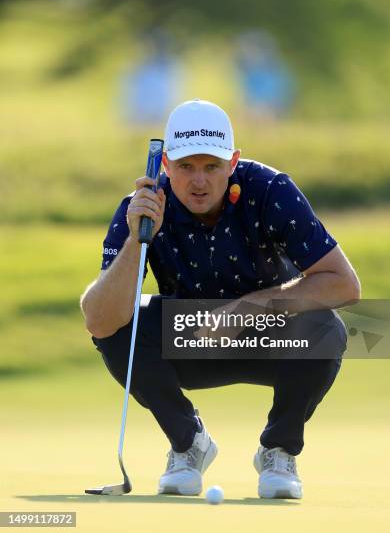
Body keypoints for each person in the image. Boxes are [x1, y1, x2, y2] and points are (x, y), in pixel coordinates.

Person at [80, 99, 360, 499]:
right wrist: (134, 240)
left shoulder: (270, 191)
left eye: (212, 167)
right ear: (165, 167)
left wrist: (246, 310)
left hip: (271, 336)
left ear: (233, 162)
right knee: (120, 329)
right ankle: (188, 442)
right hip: (192, 340)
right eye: (186, 167)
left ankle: (278, 450)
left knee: (325, 326)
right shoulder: (140, 209)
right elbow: (100, 320)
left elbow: (344, 285)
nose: (199, 181)